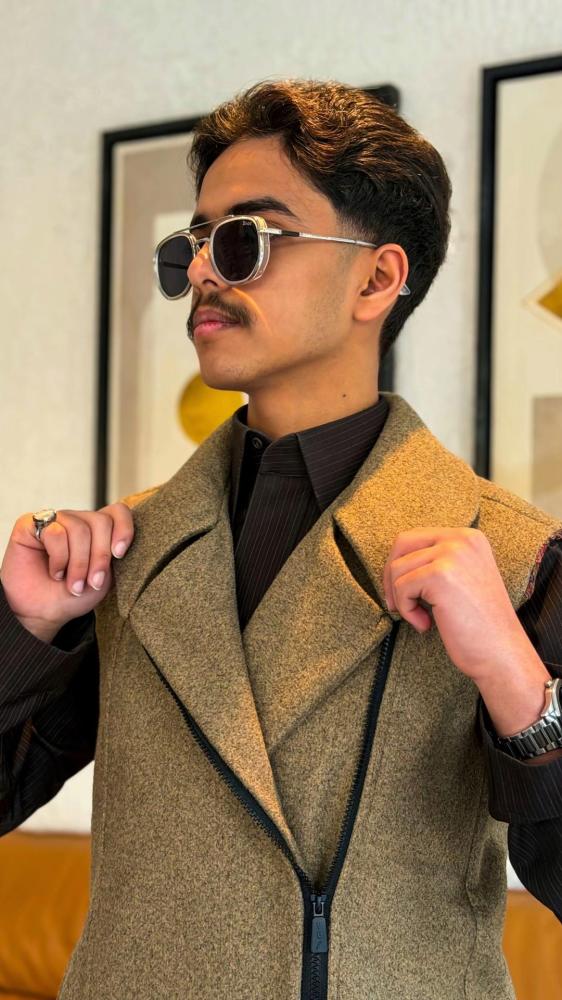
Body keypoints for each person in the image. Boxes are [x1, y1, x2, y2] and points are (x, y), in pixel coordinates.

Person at [1, 78, 561, 1000]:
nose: (204, 274)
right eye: (193, 245)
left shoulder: (514, 558)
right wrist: (24, 630)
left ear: (376, 279)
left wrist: (515, 680)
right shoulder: (128, 555)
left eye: (245, 239)